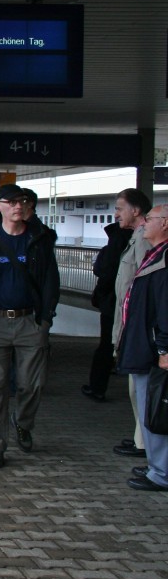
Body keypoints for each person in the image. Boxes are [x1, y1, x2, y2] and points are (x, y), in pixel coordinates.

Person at [0, 184, 59, 468]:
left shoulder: (39, 239)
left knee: (33, 385)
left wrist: (46, 318)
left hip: (30, 321)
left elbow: (50, 280)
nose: (18, 206)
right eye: (11, 202)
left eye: (22, 202)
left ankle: (23, 422)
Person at [114, 203, 168, 491]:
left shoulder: (165, 260)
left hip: (154, 350)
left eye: (151, 218)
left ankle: (161, 473)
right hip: (145, 345)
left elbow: (165, 310)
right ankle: (156, 465)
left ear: (165, 223)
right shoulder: (155, 254)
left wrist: (164, 349)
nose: (145, 222)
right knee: (150, 408)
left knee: (156, 409)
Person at [111, 188, 153, 459]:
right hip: (128, 321)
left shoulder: (144, 240)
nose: (116, 214)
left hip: (136, 323)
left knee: (140, 388)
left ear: (135, 211)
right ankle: (141, 438)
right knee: (134, 388)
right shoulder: (135, 238)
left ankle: (145, 443)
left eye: (119, 208)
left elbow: (143, 284)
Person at [82, 218, 132, 401]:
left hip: (112, 303)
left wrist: (102, 295)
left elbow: (103, 272)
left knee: (106, 344)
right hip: (126, 302)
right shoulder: (137, 240)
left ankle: (97, 387)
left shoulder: (114, 243)